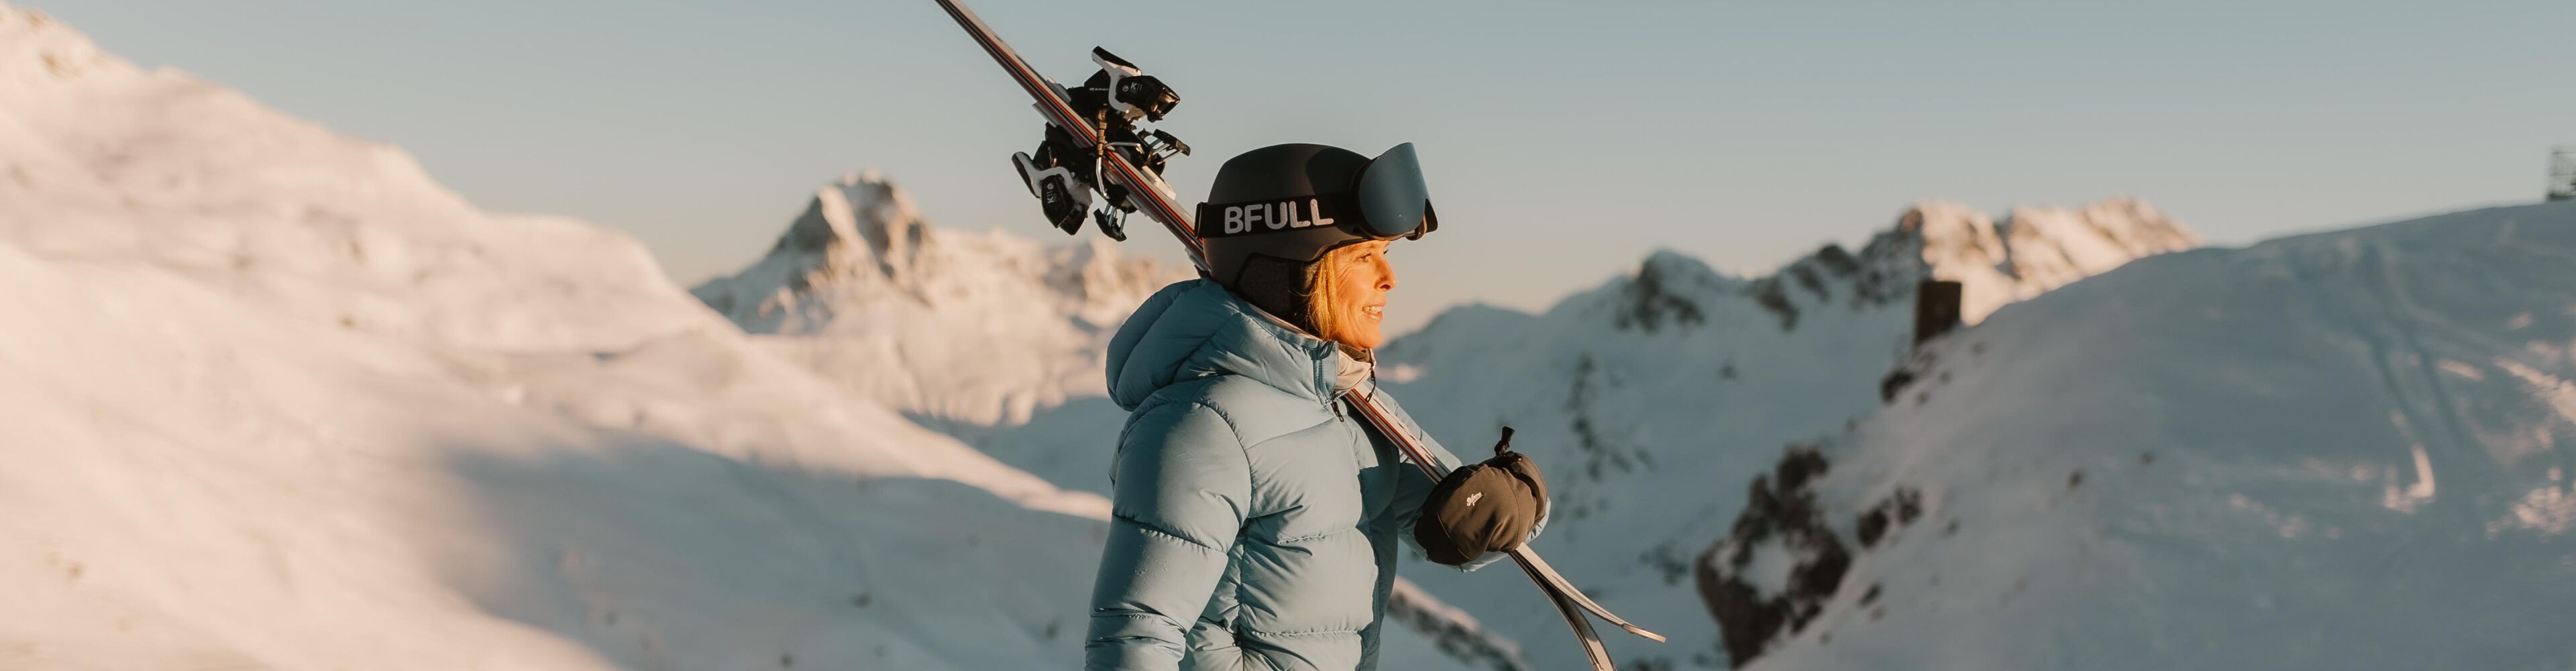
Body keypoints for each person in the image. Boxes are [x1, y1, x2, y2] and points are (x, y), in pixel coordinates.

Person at [1087, 143, 1550, 671]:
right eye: (1361, 255)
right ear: (1285, 271)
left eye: (1387, 253)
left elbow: (1443, 520)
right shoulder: (1202, 426)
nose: (1389, 277)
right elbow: (1134, 640)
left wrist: (1506, 505)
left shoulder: (1344, 403)